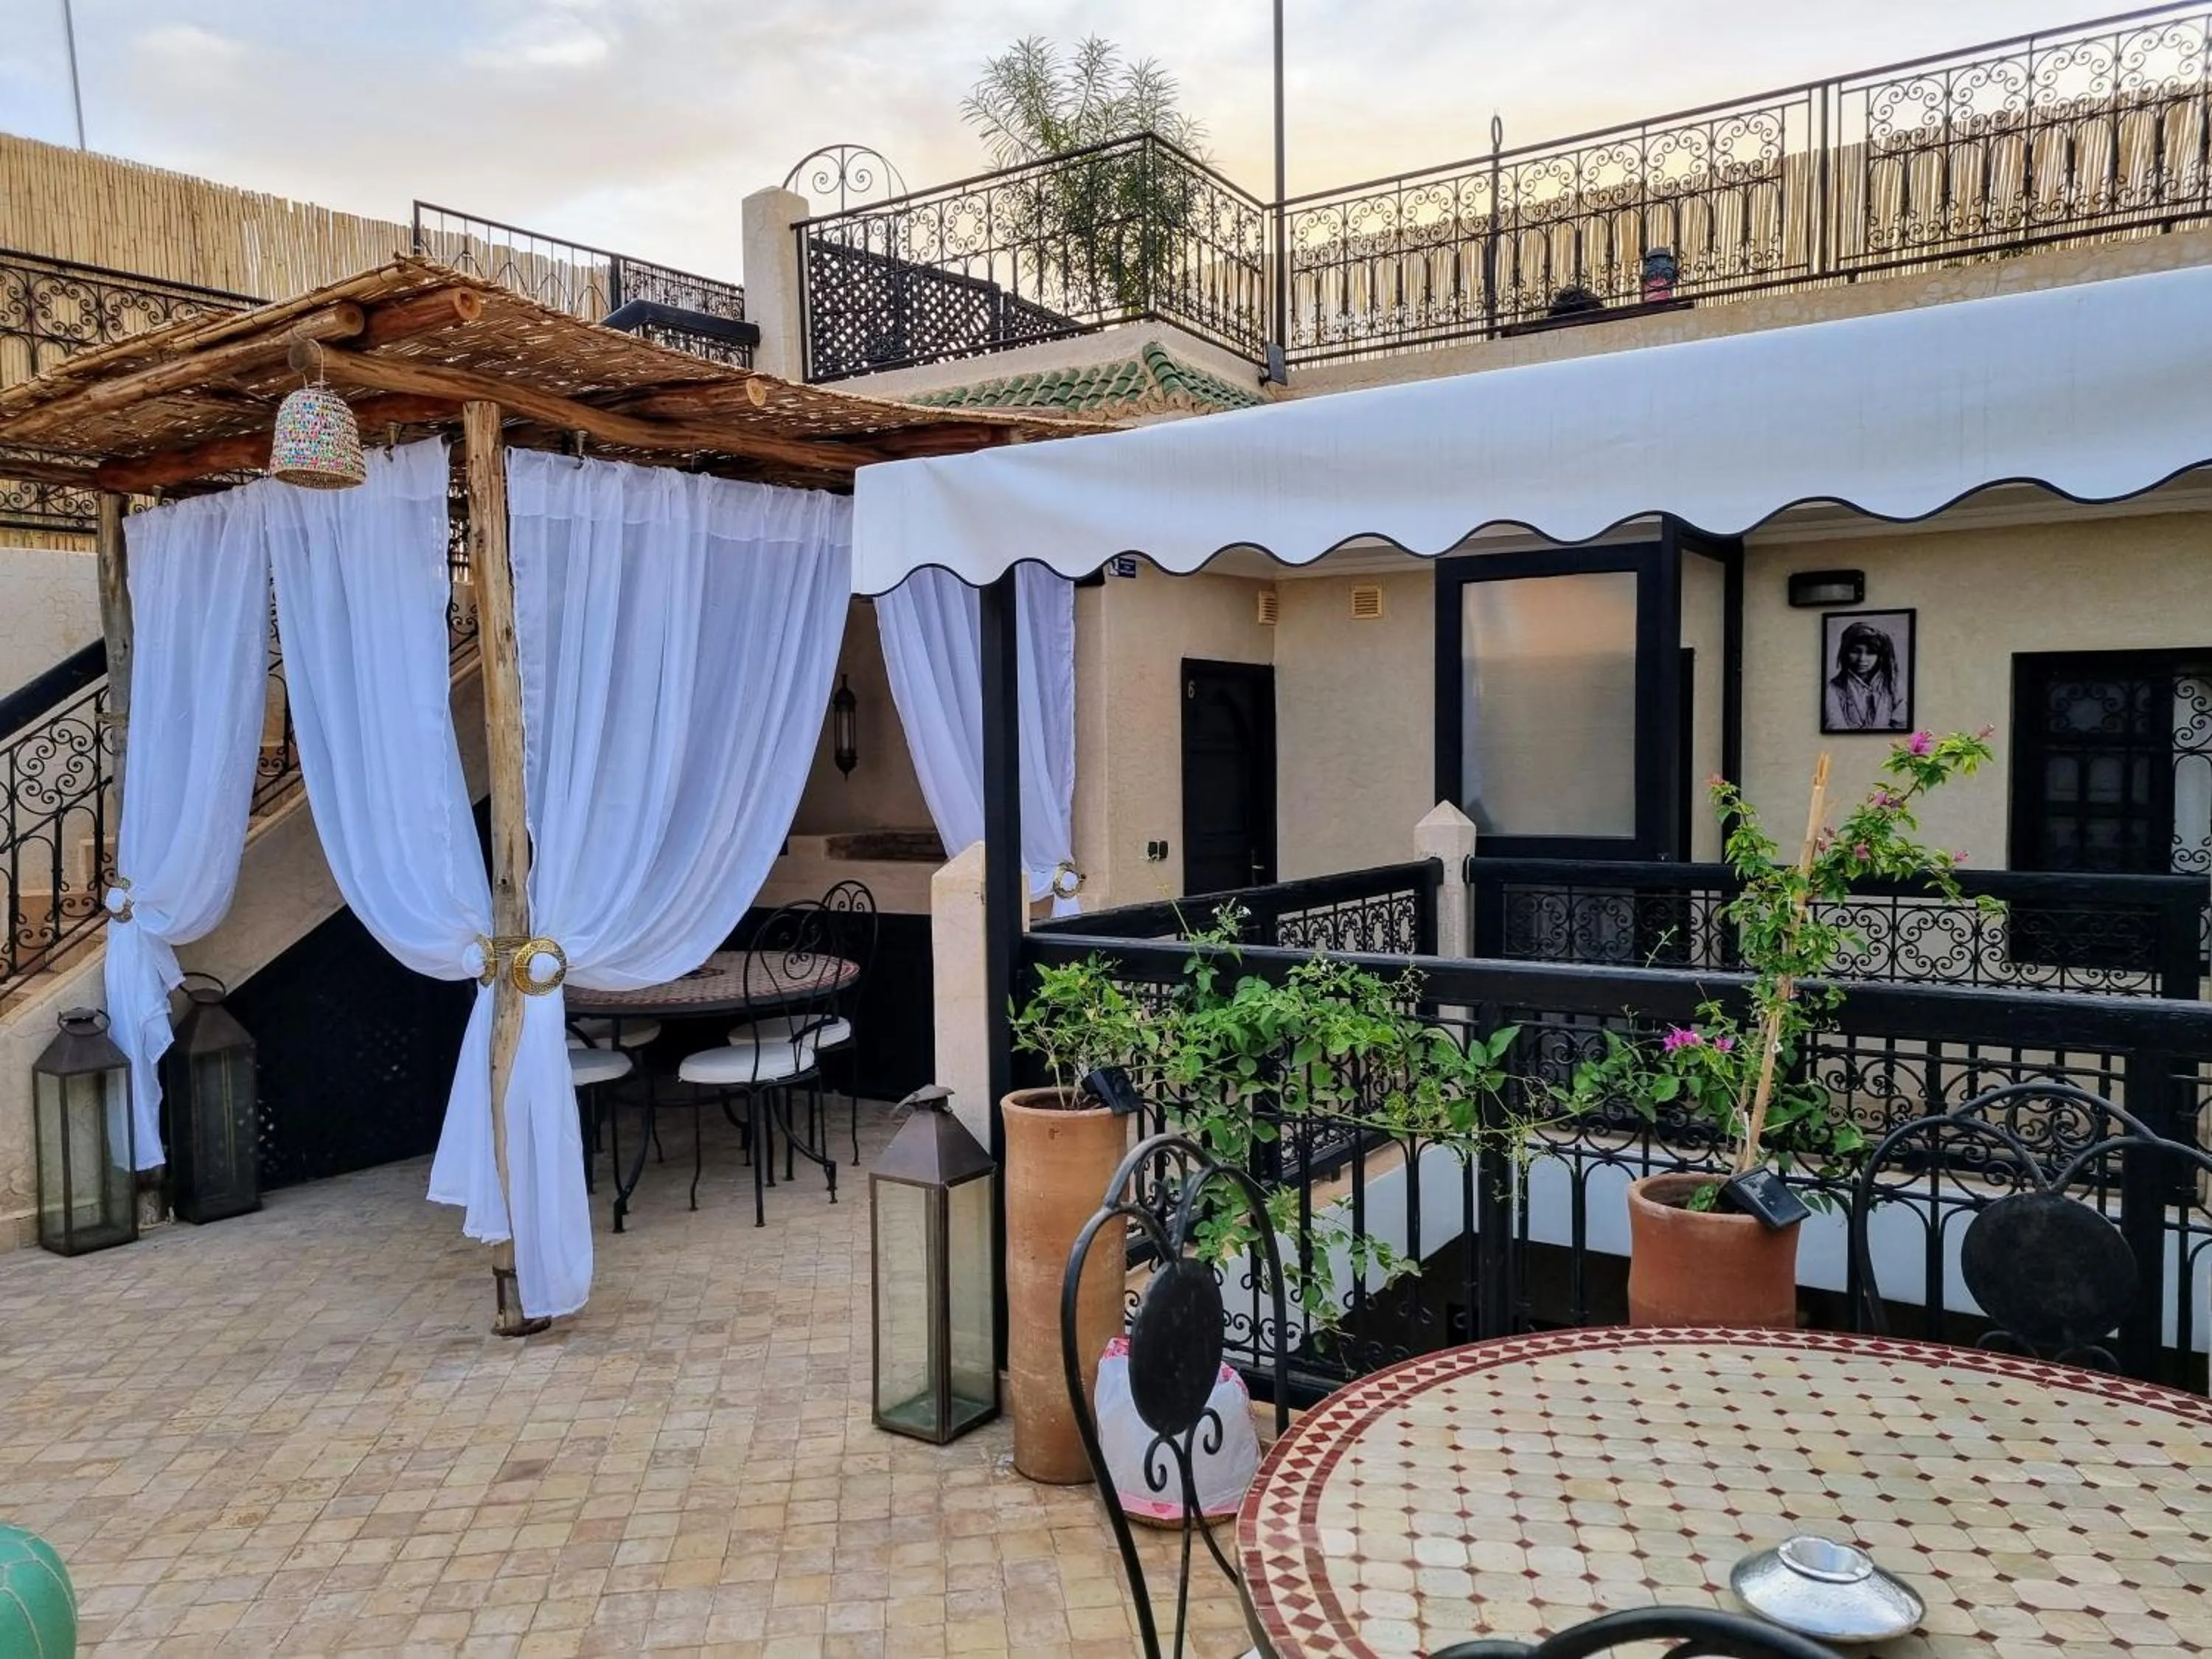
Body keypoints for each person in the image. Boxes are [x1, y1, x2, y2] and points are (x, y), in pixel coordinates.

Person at [1825, 620, 1906, 731]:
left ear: (1881, 656)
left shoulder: (1894, 686)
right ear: (1845, 652)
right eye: (1855, 651)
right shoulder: (1834, 689)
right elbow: (1835, 727)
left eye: (1871, 653)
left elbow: (1902, 727)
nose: (1862, 659)